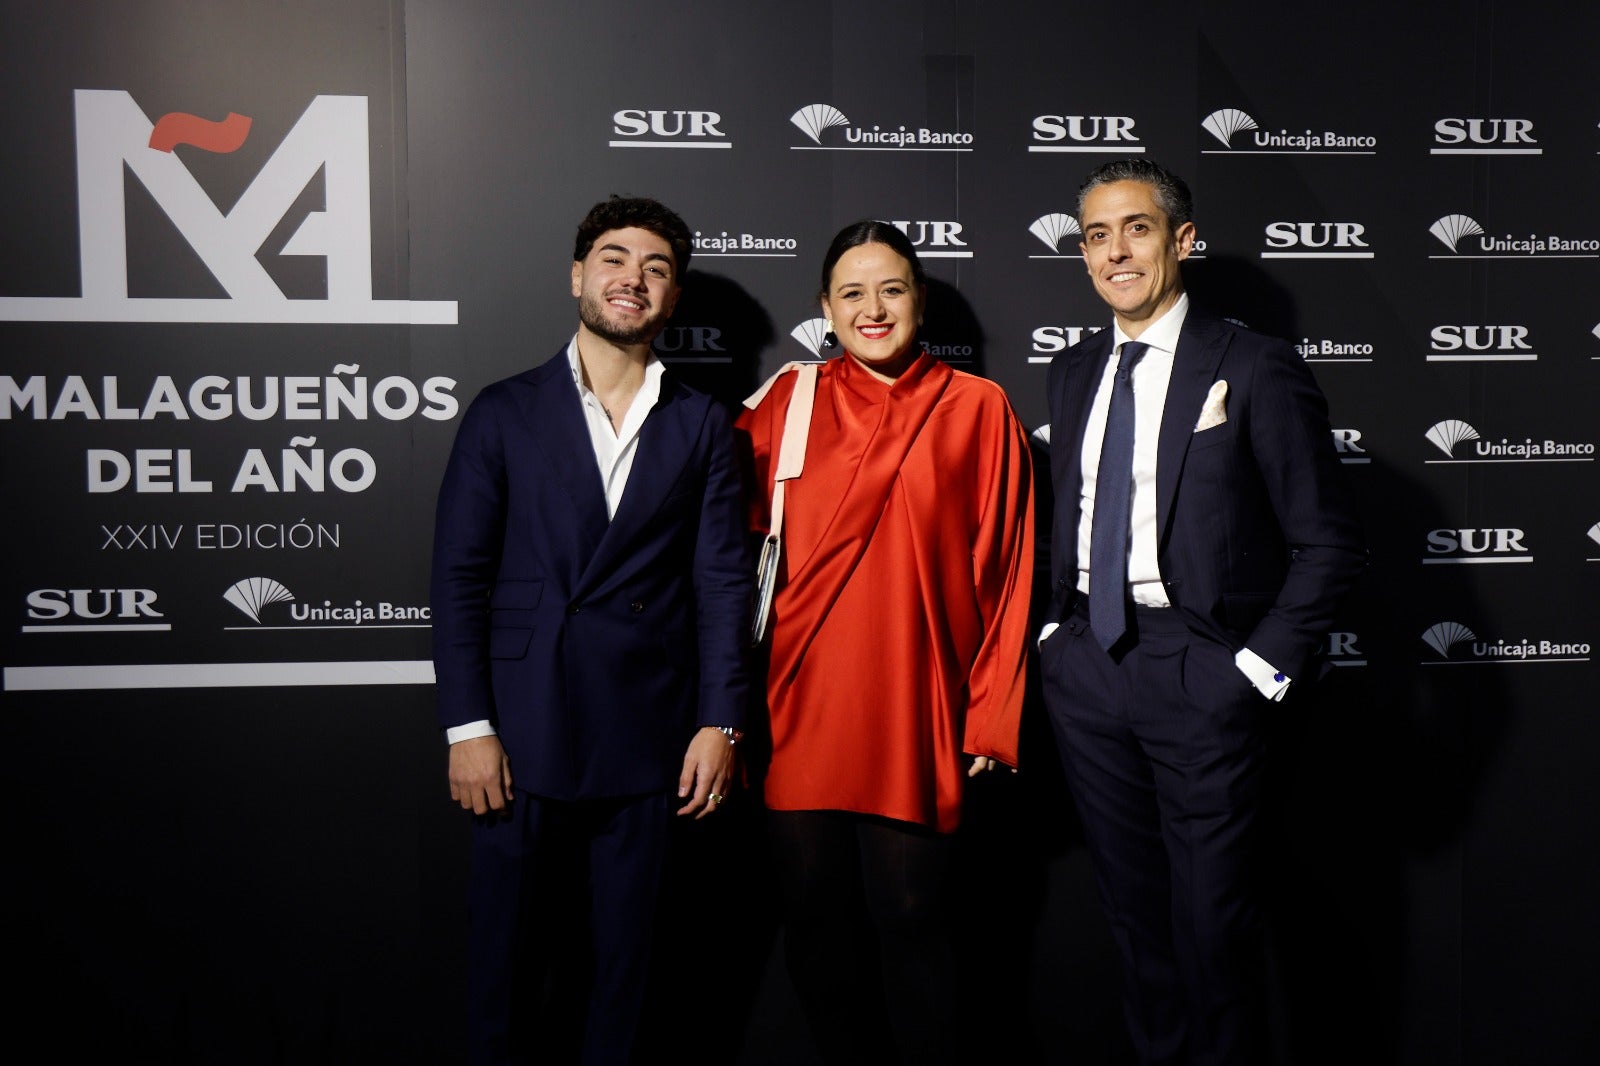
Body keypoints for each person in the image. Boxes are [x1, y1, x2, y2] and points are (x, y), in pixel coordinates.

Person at [1039, 158, 1366, 1066]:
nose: (1115, 251)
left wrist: (1253, 672)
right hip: (1088, 670)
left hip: (1202, 670)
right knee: (1135, 930)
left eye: (1136, 228)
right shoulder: (1072, 373)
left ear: (1183, 240)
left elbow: (1329, 542)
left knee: (1213, 931)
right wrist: (1052, 638)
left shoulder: (1254, 363)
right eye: (1096, 235)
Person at [430, 195, 750, 1066]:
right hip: (518, 734)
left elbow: (722, 585)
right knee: (508, 965)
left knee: (629, 971)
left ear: (673, 295)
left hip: (649, 734)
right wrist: (469, 727)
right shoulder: (504, 410)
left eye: (654, 267)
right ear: (578, 276)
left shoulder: (704, 424)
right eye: (614, 258)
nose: (631, 279)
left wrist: (720, 723)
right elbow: (458, 580)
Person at [736, 220, 1035, 1066]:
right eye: (853, 293)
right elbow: (720, 548)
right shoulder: (783, 402)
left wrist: (991, 713)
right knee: (814, 917)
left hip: (918, 698)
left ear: (920, 301)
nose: (874, 309)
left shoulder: (977, 408)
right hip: (798, 698)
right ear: (824, 309)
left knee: (913, 919)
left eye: (892, 289)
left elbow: (1009, 571)